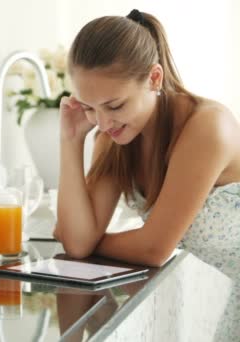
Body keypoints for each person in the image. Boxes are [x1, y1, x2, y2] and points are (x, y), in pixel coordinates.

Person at [52, 9, 240, 340]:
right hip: (210, 298)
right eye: (90, 107)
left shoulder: (207, 127)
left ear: (154, 78)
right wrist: (70, 141)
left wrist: (91, 241)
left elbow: (154, 248)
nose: (103, 122)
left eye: (114, 105)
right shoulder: (114, 138)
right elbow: (78, 242)